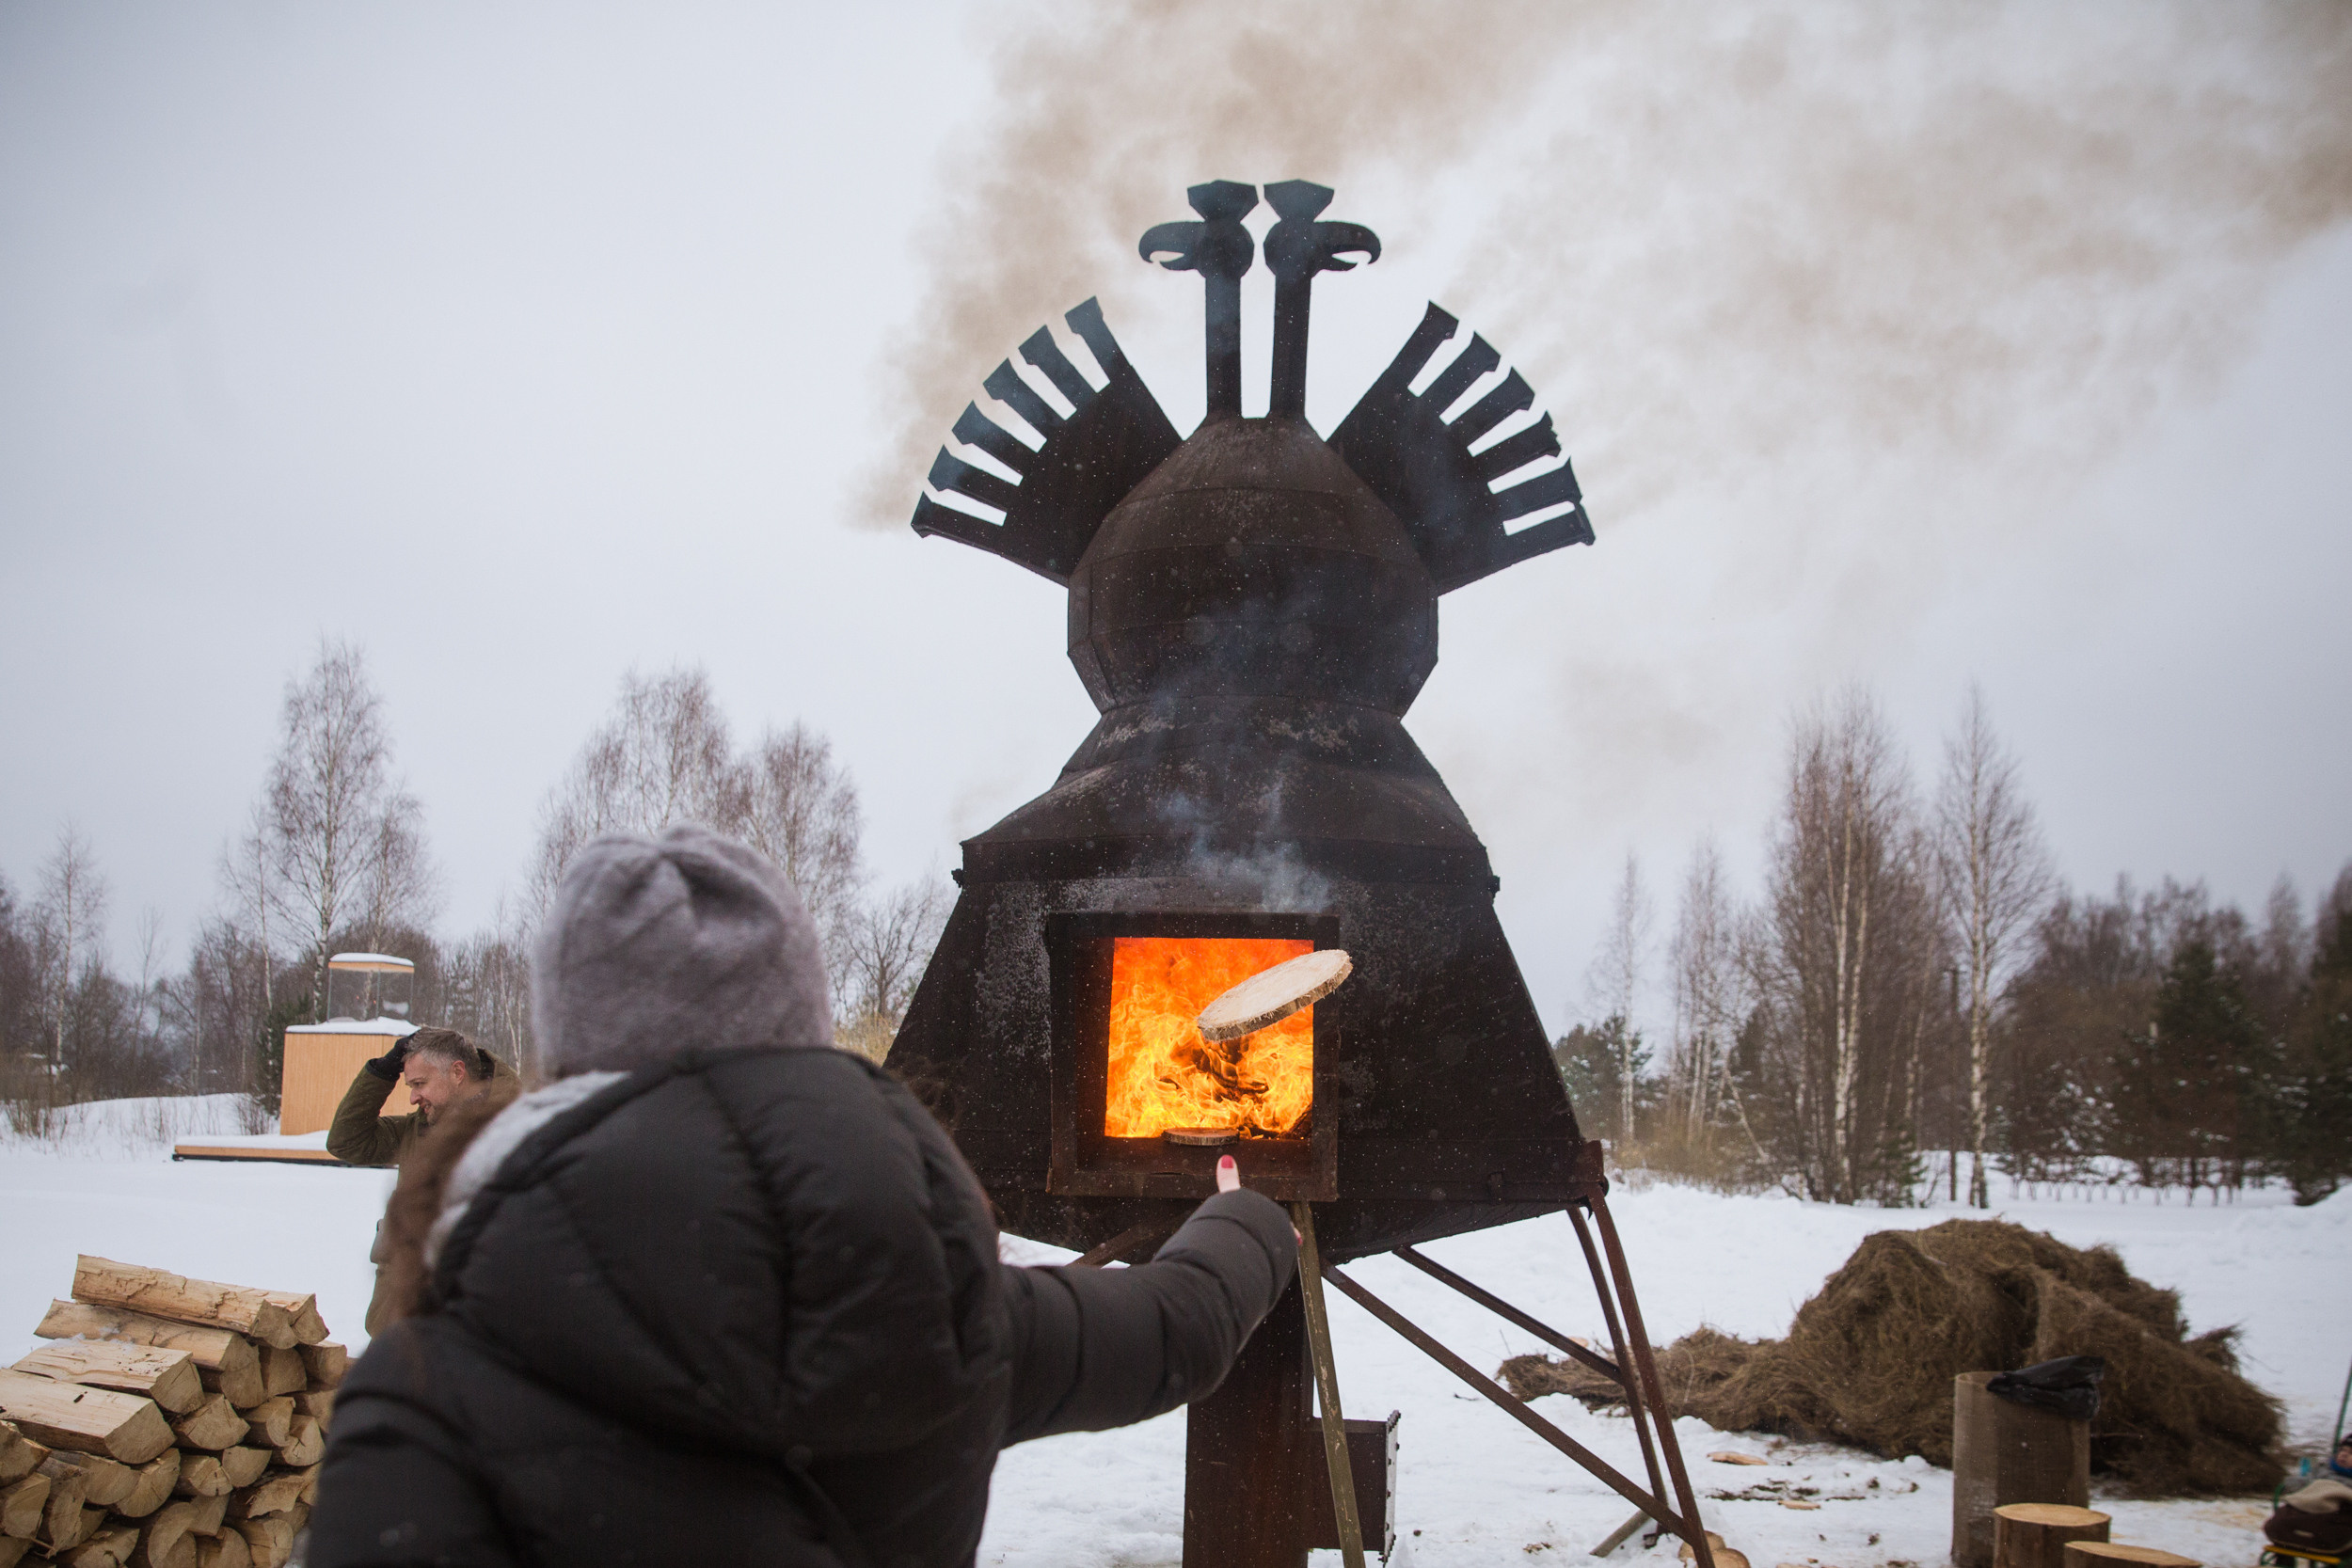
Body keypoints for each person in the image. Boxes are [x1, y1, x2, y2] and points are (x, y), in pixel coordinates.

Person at [310, 825, 1298, 1568]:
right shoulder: (948, 1309)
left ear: (572, 1054)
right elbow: (1179, 1325)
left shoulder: (426, 1383)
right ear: (800, 1024)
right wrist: (1248, 1210)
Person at [328, 1024, 515, 1336]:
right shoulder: (421, 1128)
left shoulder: (515, 1125)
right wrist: (382, 1073)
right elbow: (348, 1141)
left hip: (467, 1330)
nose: (414, 1097)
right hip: (398, 1321)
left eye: (420, 1083)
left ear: (457, 1073)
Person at [2265, 1433, 2352, 1556]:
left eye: (2351, 1453)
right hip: (2306, 1510)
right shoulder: (2323, 1470)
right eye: (2343, 1450)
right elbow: (2301, 1487)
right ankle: (2285, 1555)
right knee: (2284, 1518)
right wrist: (2296, 1484)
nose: (2344, 1454)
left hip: (2332, 1517)